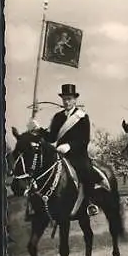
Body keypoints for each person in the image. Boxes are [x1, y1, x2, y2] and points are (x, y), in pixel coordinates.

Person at [29, 84, 99, 216]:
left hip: (77, 154)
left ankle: (90, 203)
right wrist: (38, 130)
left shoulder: (82, 117)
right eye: (64, 99)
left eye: (69, 99)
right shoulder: (58, 117)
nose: (66, 101)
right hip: (60, 154)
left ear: (75, 100)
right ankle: (37, 205)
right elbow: (51, 137)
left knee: (87, 169)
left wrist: (70, 146)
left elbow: (84, 139)